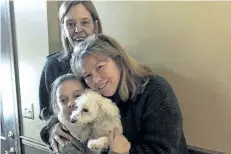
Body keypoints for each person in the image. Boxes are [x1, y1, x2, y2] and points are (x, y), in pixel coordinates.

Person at [41, 33, 189, 154]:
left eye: (100, 67)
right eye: (88, 76)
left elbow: (167, 150)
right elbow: (70, 107)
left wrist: (125, 151)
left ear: (118, 60)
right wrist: (54, 128)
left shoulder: (155, 90)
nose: (96, 80)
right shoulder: (95, 95)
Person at [39, 1, 103, 120]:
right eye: (70, 24)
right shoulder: (53, 65)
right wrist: (52, 128)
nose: (78, 29)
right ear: (63, 29)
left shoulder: (109, 62)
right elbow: (45, 113)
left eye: (84, 22)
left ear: (96, 26)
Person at [41, 73, 129, 154]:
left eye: (77, 96)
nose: (71, 103)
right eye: (63, 100)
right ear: (57, 105)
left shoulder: (98, 121)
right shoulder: (65, 142)